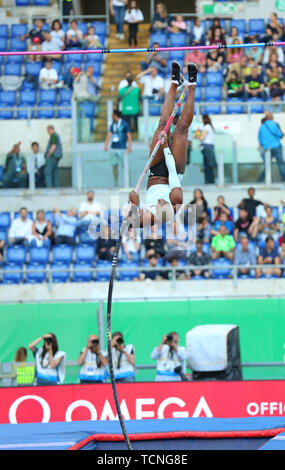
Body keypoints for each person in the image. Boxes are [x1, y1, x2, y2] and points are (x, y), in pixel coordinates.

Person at [129, 61, 198, 227]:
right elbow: (172, 171)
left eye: (158, 205)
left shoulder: (152, 217)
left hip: (156, 170)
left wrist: (134, 204)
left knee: (162, 126)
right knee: (181, 128)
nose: (160, 201)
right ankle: (192, 84)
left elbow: (133, 223)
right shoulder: (176, 200)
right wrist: (165, 145)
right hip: (174, 171)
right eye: (163, 203)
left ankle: (175, 82)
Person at [104, 109, 132, 186]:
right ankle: (115, 182)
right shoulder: (112, 125)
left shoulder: (124, 124)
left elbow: (129, 135)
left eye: (112, 115)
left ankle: (128, 182)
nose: (112, 117)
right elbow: (109, 134)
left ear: (115, 115)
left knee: (125, 165)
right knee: (114, 165)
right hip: (114, 147)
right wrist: (106, 145)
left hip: (122, 148)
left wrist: (129, 146)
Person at [257, 112, 285, 182]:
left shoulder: (262, 126)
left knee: (268, 166)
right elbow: (280, 135)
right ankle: (284, 180)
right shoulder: (274, 124)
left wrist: (265, 144)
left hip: (267, 149)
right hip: (276, 147)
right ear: (272, 117)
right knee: (280, 164)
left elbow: (260, 139)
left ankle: (263, 180)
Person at [195, 115, 217, 184]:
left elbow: (202, 138)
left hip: (207, 148)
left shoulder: (207, 127)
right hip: (209, 147)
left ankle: (209, 181)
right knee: (209, 165)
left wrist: (196, 137)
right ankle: (210, 181)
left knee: (208, 166)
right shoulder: (210, 127)